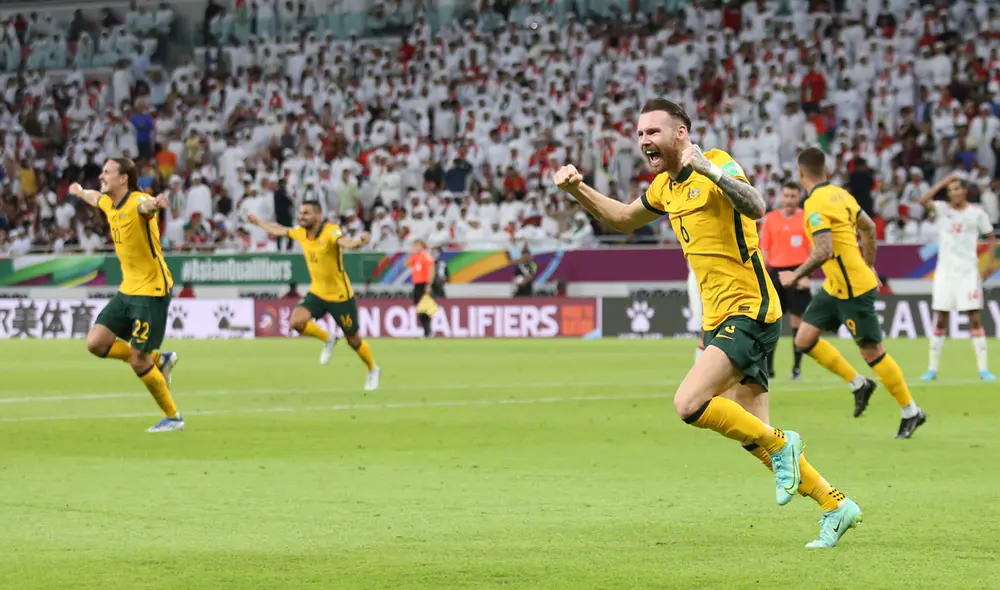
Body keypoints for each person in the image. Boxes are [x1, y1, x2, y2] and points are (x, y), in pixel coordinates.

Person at [554, 99, 861, 549]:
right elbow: (621, 218)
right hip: (717, 317)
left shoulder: (716, 164)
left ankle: (785, 443)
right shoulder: (665, 187)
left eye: (653, 132)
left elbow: (755, 206)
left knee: (689, 403)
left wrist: (711, 172)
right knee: (754, 436)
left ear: (680, 133)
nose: (644, 141)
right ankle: (835, 504)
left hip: (750, 309)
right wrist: (577, 189)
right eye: (639, 134)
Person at [779, 147, 926, 439]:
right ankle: (858, 383)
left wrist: (795, 275)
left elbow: (824, 250)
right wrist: (868, 263)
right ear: (826, 170)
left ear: (800, 173)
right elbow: (869, 228)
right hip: (835, 286)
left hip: (854, 291)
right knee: (804, 339)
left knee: (872, 353)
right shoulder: (840, 194)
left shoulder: (815, 204)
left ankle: (911, 411)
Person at [70, 158, 183, 433]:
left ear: (123, 179)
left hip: (151, 291)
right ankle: (160, 360)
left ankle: (173, 417)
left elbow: (146, 208)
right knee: (96, 343)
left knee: (138, 359)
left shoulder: (137, 202)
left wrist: (155, 204)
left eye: (107, 172)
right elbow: (95, 197)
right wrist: (78, 192)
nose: (101, 176)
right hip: (128, 289)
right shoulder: (109, 203)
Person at [248, 202, 380, 391]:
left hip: (340, 296)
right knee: (296, 322)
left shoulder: (330, 231)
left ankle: (372, 368)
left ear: (318, 216)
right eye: (300, 213)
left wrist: (359, 241)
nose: (301, 216)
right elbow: (281, 230)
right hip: (318, 292)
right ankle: (328, 339)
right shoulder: (300, 233)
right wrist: (259, 223)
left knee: (353, 340)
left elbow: (345, 243)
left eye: (306, 213)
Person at [917, 172, 997, 381]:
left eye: (957, 188)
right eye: (951, 190)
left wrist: (989, 264)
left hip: (968, 273)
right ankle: (932, 369)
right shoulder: (942, 210)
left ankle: (983, 369)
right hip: (945, 273)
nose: (954, 192)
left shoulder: (976, 213)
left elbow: (991, 238)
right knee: (941, 319)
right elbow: (923, 200)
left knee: (975, 318)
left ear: (965, 191)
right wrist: (944, 181)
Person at [760, 182, 812, 380]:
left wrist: (806, 275)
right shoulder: (771, 219)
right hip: (776, 274)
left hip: (799, 272)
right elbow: (764, 248)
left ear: (799, 197)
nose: (789, 200)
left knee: (797, 323)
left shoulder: (807, 218)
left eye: (793, 196)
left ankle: (796, 368)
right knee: (772, 321)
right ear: (781, 197)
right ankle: (769, 368)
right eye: (786, 195)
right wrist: (764, 276)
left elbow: (813, 250)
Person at [408, 240, 434, 337]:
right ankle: (426, 331)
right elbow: (406, 264)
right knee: (419, 308)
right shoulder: (415, 257)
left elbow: (431, 271)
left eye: (417, 246)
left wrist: (429, 284)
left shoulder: (426, 256)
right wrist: (411, 254)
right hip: (417, 284)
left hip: (424, 284)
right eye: (414, 246)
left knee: (425, 308)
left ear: (422, 246)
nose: (415, 248)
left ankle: (428, 331)